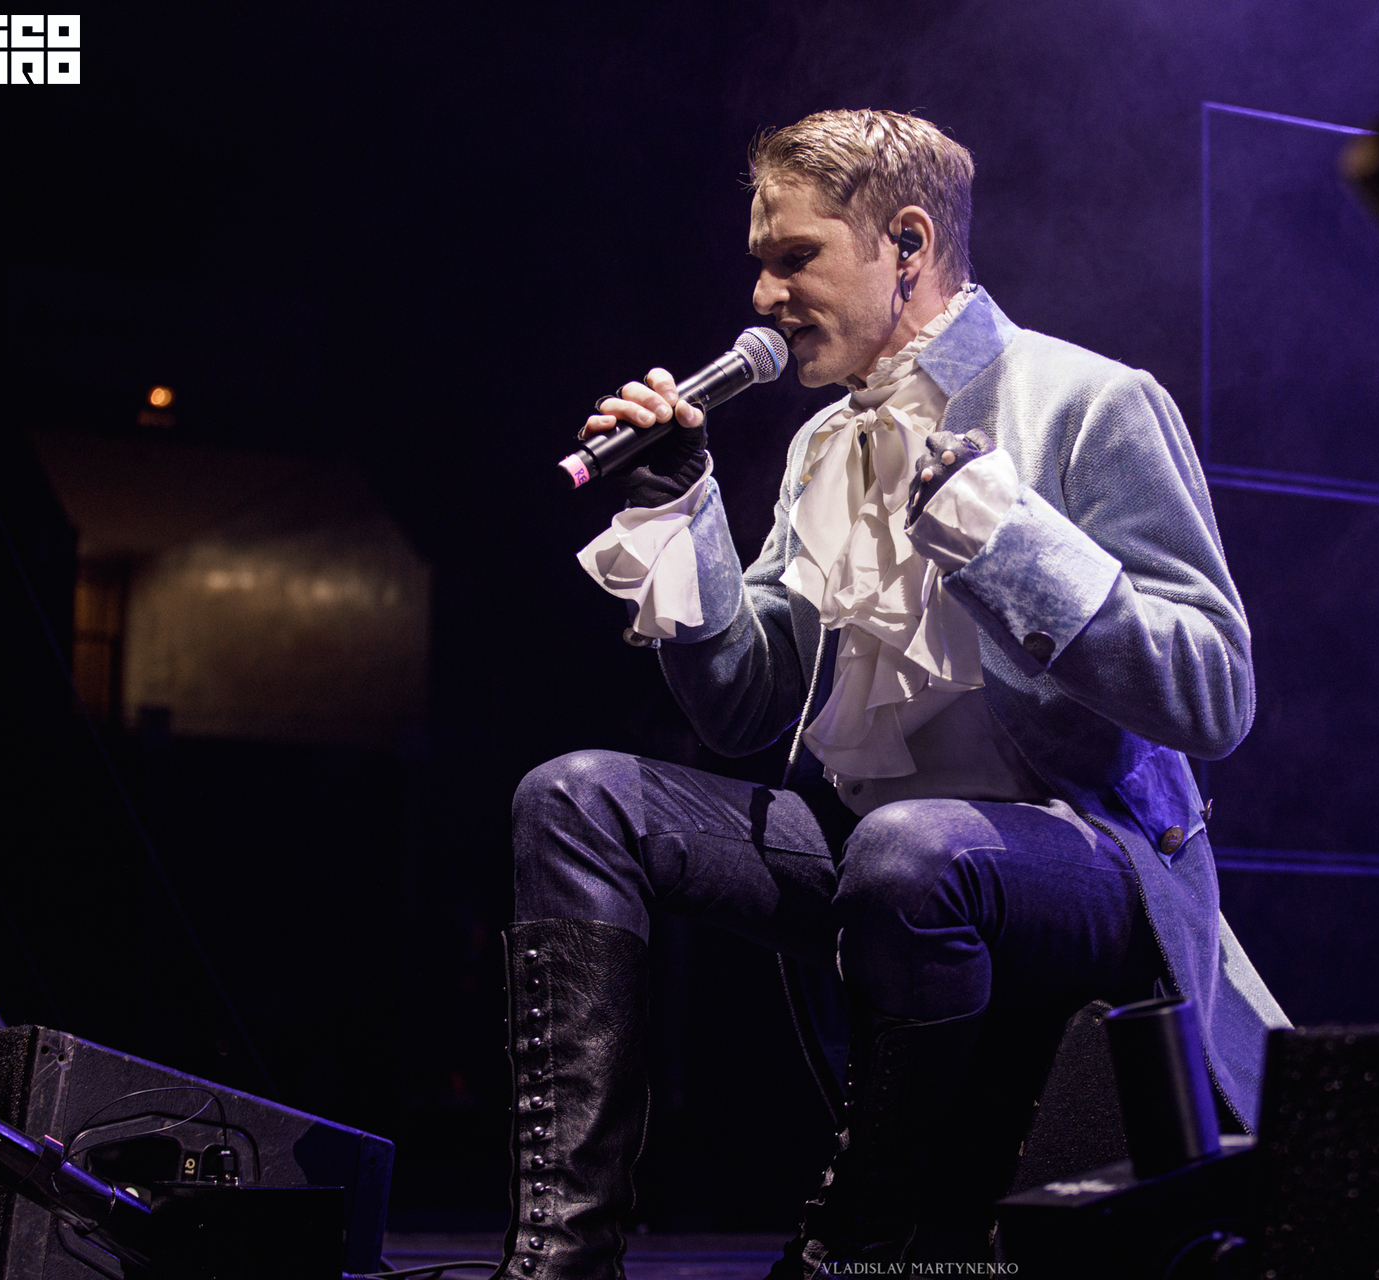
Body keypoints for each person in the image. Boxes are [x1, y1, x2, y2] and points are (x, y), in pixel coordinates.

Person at [499, 109, 1288, 1280]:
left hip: (1088, 858)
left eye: (795, 258)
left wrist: (1009, 539)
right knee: (574, 798)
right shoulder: (823, 445)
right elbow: (743, 705)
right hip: (878, 848)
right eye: (760, 262)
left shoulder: (1092, 399)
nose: (762, 296)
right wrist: (681, 508)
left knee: (910, 849)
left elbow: (1215, 691)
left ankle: (856, 1246)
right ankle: (563, 1253)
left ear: (908, 244)